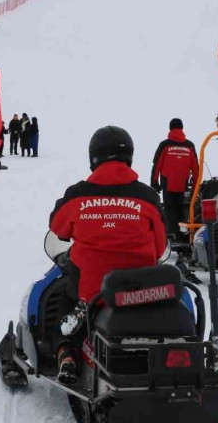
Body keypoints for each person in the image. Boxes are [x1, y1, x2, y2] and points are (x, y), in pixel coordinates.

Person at [47, 125, 167, 384]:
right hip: (142, 293)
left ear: (93, 158)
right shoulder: (147, 196)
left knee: (67, 308)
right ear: (129, 157)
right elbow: (159, 248)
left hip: (91, 294)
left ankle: (67, 353)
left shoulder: (77, 194)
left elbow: (57, 227)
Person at [150, 118, 199, 240]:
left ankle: (171, 236)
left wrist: (154, 182)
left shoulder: (165, 145)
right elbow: (196, 169)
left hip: (168, 184)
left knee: (170, 210)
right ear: (182, 128)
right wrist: (195, 187)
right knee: (183, 210)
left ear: (170, 128)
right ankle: (183, 235)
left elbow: (157, 165)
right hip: (183, 184)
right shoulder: (189, 146)